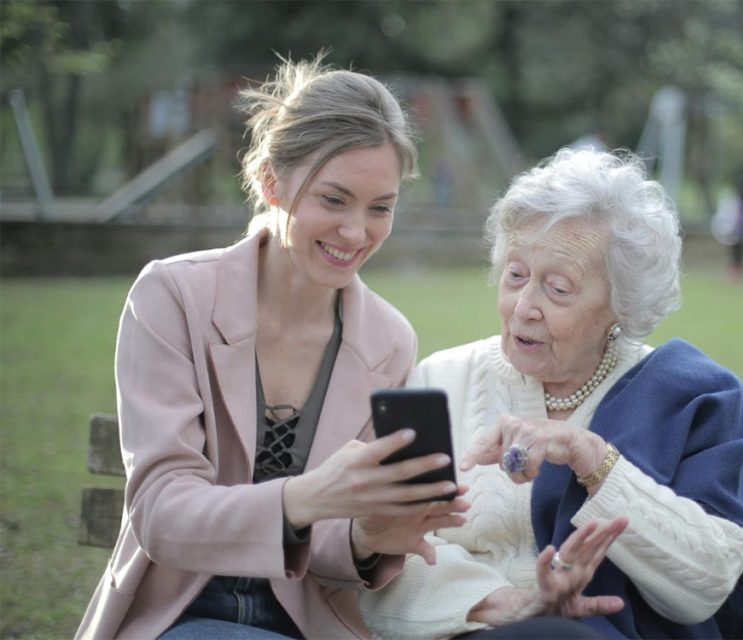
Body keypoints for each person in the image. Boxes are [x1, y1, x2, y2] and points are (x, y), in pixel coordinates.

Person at [76, 55, 470, 639]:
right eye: (333, 200)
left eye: (380, 207)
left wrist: (366, 535)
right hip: (178, 613)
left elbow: (331, 542)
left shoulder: (389, 340)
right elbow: (161, 512)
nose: (357, 233)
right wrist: (305, 497)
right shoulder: (172, 296)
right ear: (271, 182)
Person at [359, 148, 743, 639]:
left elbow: (708, 583)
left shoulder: (694, 397)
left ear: (622, 304)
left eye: (557, 288)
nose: (524, 307)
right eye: (515, 275)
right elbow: (383, 554)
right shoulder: (442, 379)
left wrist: (591, 457)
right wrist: (503, 603)